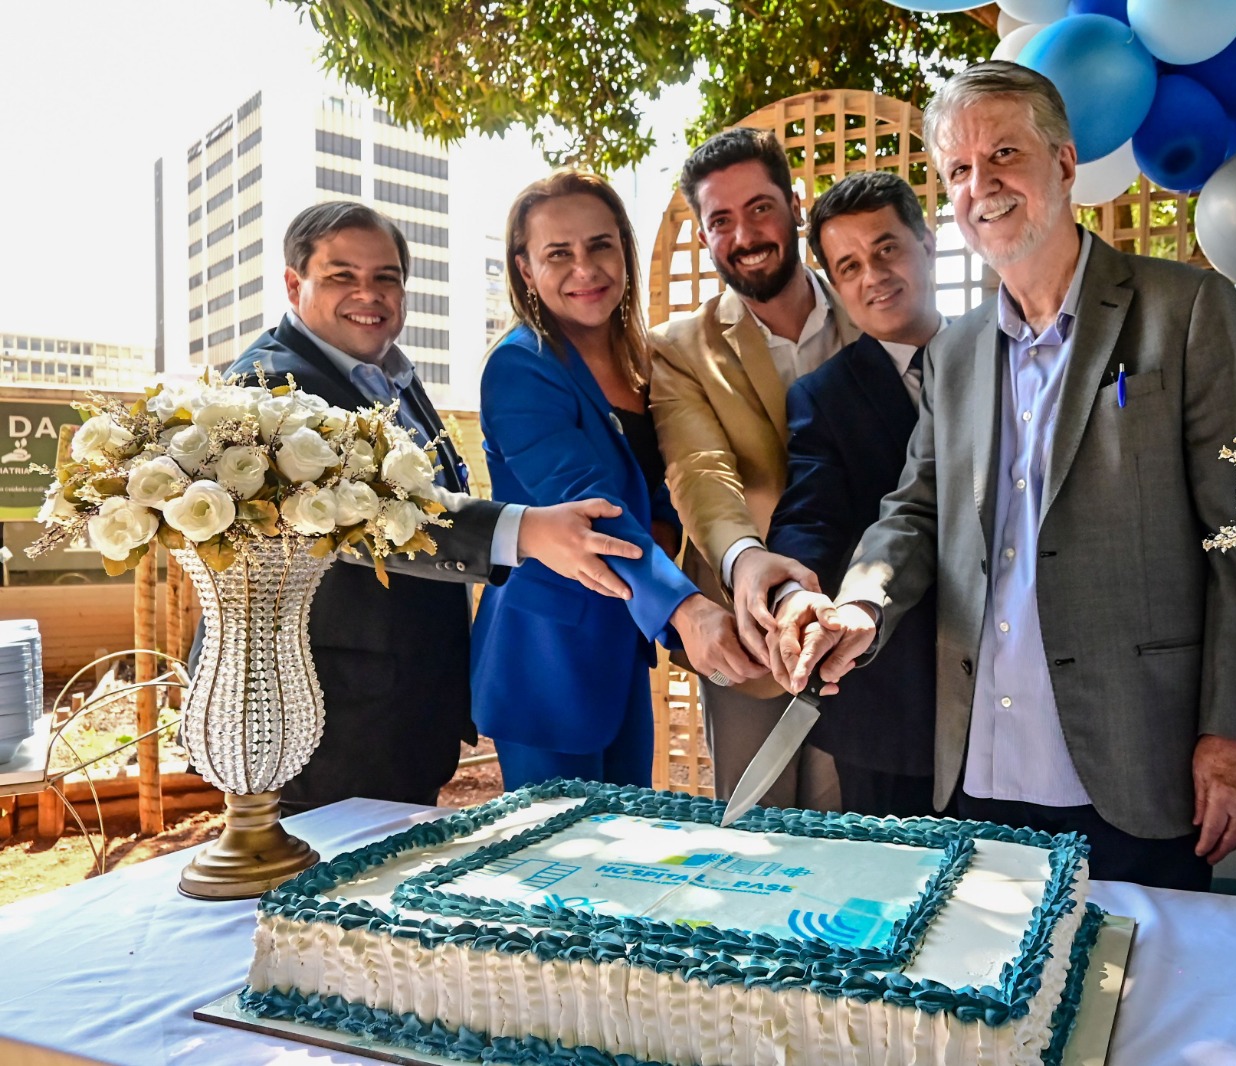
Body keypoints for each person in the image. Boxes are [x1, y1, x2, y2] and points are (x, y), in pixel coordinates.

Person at [772, 62, 1236, 889]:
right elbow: (915, 508)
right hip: (978, 764)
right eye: (958, 170)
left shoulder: (1187, 308)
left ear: (1062, 163)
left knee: (1146, 1005)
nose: (982, 185)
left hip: (1138, 760)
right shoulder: (954, 350)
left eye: (1004, 155)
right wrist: (861, 603)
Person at [229, 201, 643, 812]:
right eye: (342, 275)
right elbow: (372, 514)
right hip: (319, 718)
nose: (368, 293)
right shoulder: (268, 386)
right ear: (295, 284)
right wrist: (526, 530)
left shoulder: (390, 375)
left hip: (399, 710)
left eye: (386, 277)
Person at [470, 171, 763, 789]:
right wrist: (686, 611)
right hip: (547, 663)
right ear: (525, 270)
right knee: (557, 867)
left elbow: (671, 488)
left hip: (623, 651)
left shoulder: (645, 363)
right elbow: (591, 509)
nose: (586, 268)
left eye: (600, 245)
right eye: (559, 253)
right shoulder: (520, 367)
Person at [650, 127, 857, 811]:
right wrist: (743, 565)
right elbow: (701, 472)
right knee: (760, 839)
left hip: (879, 633)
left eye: (760, 207)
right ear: (707, 236)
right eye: (721, 220)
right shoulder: (680, 350)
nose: (746, 233)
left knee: (877, 844)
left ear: (795, 205)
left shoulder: (874, 313)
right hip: (754, 637)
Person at [763, 171, 943, 818]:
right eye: (850, 265)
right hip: (888, 704)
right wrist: (796, 594)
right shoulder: (822, 397)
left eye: (888, 248)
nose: (875, 275)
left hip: (1011, 703)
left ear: (927, 242)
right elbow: (809, 513)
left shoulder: (1010, 361)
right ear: (836, 286)